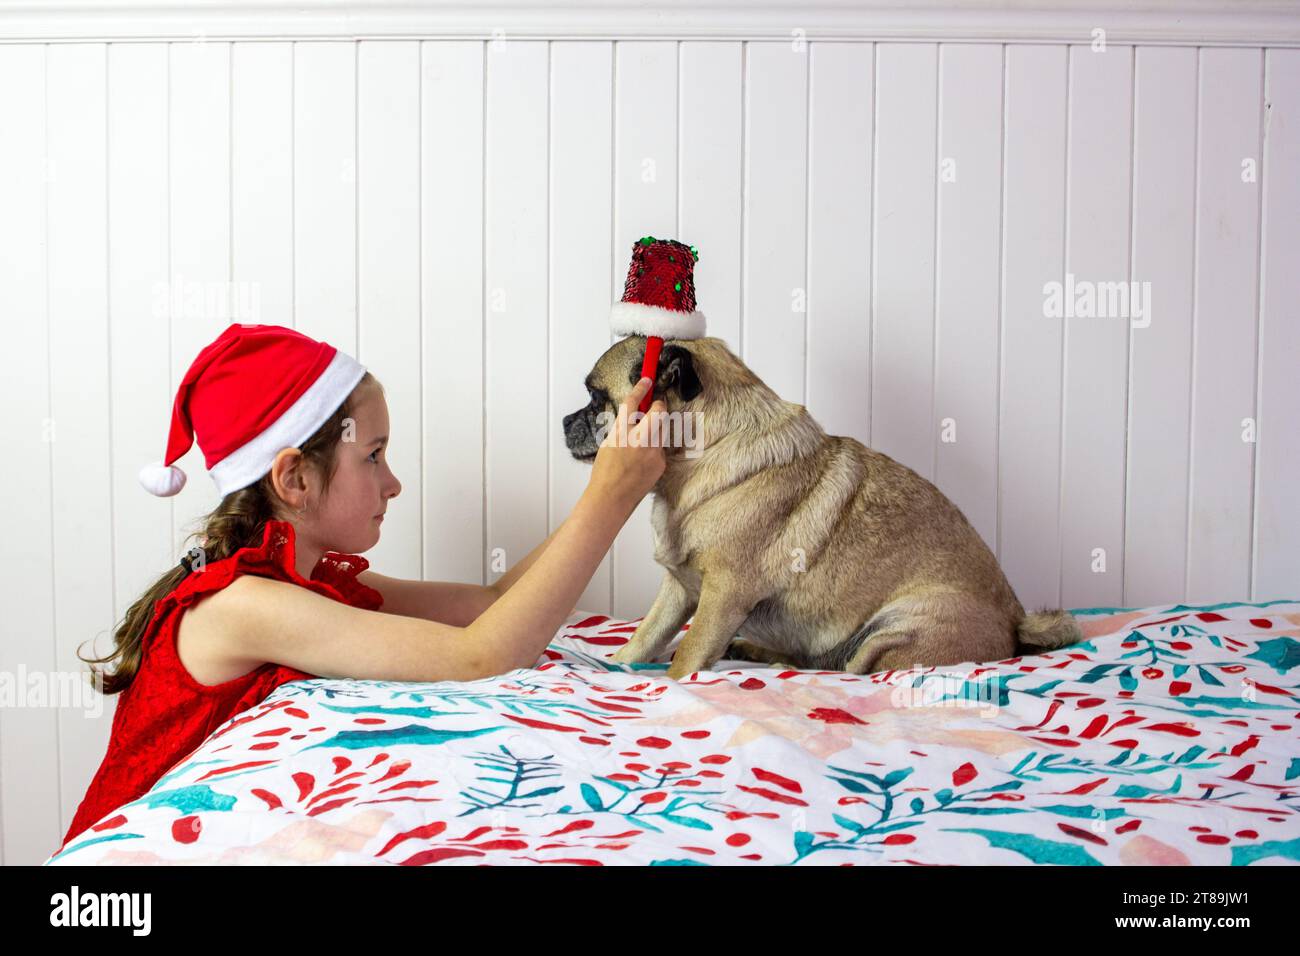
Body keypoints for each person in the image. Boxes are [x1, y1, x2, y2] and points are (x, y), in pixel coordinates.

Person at [59, 323, 666, 851]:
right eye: (373, 456)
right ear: (294, 477)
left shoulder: (309, 580)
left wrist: (608, 485)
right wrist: (611, 499)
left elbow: (488, 609)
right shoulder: (242, 606)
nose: (393, 482)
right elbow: (482, 657)